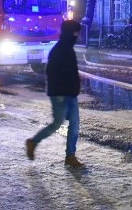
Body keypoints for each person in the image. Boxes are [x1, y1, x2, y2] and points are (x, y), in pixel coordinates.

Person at [25, 20, 84, 168]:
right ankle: (33, 142)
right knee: (57, 124)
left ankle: (70, 156)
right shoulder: (59, 50)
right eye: (76, 33)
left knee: (75, 125)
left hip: (70, 94)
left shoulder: (68, 49)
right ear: (70, 33)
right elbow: (51, 73)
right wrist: (60, 90)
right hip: (61, 95)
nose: (78, 35)